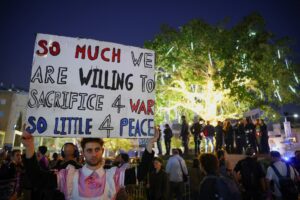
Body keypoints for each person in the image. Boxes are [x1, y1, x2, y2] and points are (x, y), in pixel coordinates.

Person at [21, 128, 159, 200]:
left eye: (97, 149)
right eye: (89, 150)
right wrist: (29, 147)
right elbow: (37, 179)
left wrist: (150, 143)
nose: (94, 154)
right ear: (83, 153)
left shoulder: (113, 175)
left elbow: (139, 174)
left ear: (102, 151)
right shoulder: (69, 176)